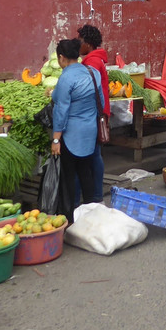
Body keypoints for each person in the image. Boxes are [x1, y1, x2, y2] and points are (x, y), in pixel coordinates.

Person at [50, 38, 104, 218]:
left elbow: (61, 111)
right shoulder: (93, 72)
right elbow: (101, 103)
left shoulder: (66, 78)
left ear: (61, 57)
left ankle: (71, 216)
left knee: (69, 176)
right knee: (86, 171)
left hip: (71, 134)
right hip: (90, 130)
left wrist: (56, 139)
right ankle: (90, 212)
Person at [77, 24, 109, 204]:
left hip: (95, 112)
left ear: (88, 44)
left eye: (80, 41)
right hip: (99, 110)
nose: (78, 44)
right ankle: (94, 194)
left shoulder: (92, 62)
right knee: (94, 153)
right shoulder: (95, 59)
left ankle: (96, 195)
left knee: (94, 154)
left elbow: (89, 90)